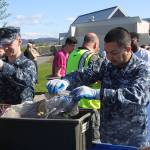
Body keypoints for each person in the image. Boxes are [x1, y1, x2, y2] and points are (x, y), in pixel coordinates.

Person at [46, 27, 150, 148]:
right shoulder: (106, 64)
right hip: (108, 136)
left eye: (114, 52)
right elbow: (85, 73)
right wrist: (66, 81)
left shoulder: (143, 69)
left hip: (132, 139)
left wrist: (97, 93)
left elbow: (138, 95)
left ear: (128, 49)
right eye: (106, 52)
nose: (109, 57)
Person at [66, 32, 103, 141]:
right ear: (95, 45)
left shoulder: (73, 54)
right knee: (92, 140)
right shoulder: (93, 57)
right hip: (90, 106)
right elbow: (101, 80)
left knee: (77, 140)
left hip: (72, 105)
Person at [0, 26, 37, 104]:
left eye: (9, 43)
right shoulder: (3, 63)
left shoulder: (28, 64)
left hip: (21, 113)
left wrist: (3, 66)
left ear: (19, 41)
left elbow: (27, 82)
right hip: (3, 112)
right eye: (3, 44)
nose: (5, 48)